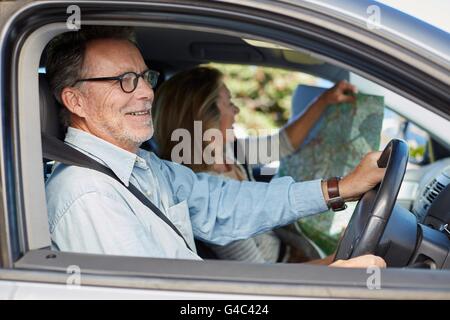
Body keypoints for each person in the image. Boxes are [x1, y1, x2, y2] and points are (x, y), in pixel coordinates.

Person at [44, 26, 386, 268]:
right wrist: (320, 282)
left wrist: (341, 188)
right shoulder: (89, 194)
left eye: (145, 77)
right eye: (124, 81)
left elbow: (225, 203)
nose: (147, 93)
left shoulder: (146, 166)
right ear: (76, 101)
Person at [152, 66, 356, 264]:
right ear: (206, 116)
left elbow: (282, 144)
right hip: (285, 273)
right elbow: (264, 277)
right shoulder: (206, 200)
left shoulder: (229, 151)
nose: (236, 110)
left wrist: (324, 100)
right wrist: (338, 258)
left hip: (291, 251)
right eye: (229, 103)